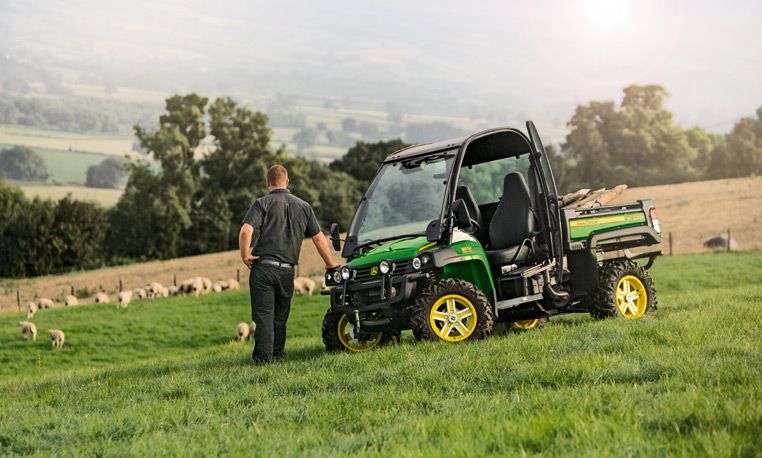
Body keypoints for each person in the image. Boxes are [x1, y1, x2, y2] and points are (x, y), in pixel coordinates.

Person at [239, 164, 339, 364]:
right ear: (287, 181)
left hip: (263, 268)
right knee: (280, 317)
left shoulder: (261, 203)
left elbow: (245, 231)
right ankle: (277, 355)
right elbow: (319, 239)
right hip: (287, 271)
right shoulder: (304, 207)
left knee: (264, 316)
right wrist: (330, 264)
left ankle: (263, 361)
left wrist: (245, 255)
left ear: (268, 183)